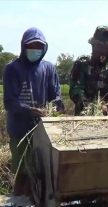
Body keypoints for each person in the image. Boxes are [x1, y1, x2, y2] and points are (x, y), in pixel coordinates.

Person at [3, 27, 65, 195]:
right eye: (32, 46)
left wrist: (58, 106)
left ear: (44, 48)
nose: (35, 50)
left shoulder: (48, 68)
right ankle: (19, 200)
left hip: (44, 131)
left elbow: (55, 95)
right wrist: (31, 110)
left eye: (39, 46)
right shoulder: (13, 69)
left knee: (43, 174)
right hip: (20, 131)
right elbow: (10, 102)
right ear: (24, 46)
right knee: (23, 174)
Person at [69, 25, 108, 116]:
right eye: (100, 48)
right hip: (83, 117)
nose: (104, 52)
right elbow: (76, 89)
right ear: (93, 46)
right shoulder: (81, 64)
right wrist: (87, 106)